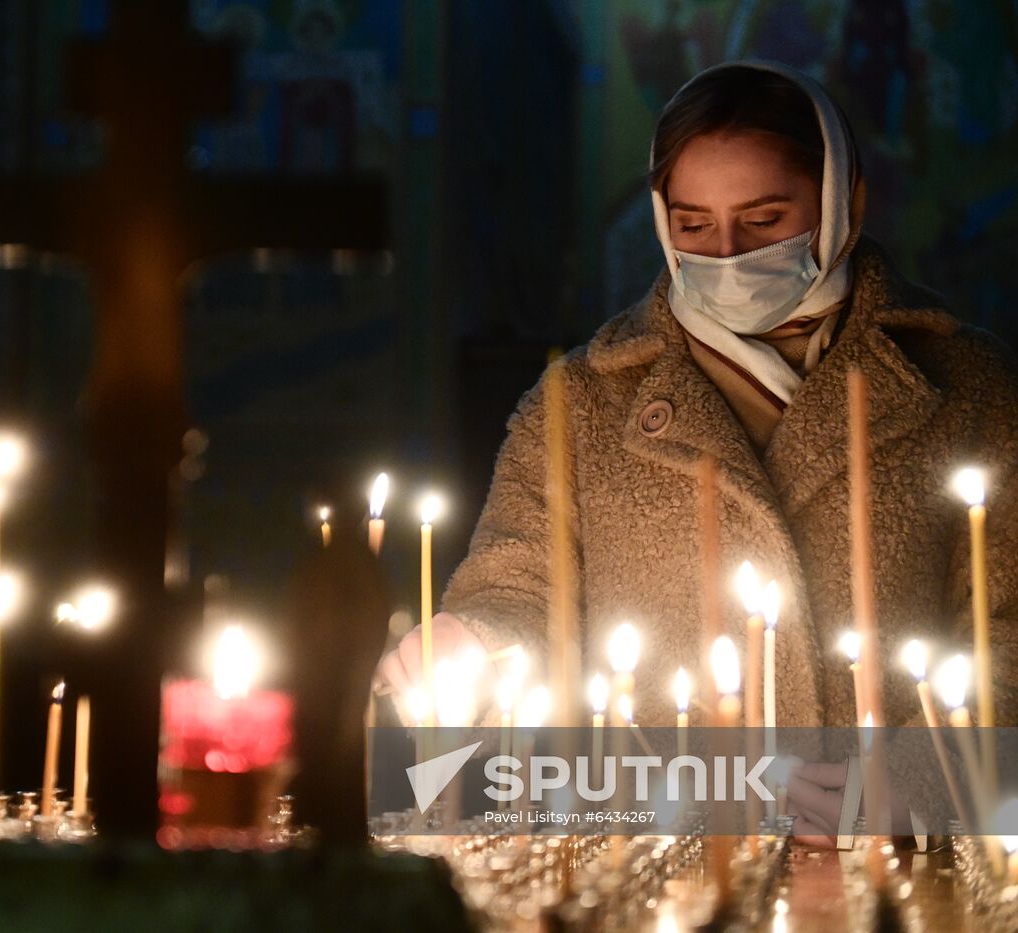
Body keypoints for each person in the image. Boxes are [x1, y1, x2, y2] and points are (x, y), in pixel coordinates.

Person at [374, 60, 1018, 841]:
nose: (728, 254)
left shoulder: (970, 386)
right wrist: (476, 639)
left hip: (909, 865)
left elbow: (1007, 630)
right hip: (656, 857)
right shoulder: (582, 400)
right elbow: (520, 595)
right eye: (693, 225)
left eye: (764, 219)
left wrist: (933, 783)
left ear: (843, 200)